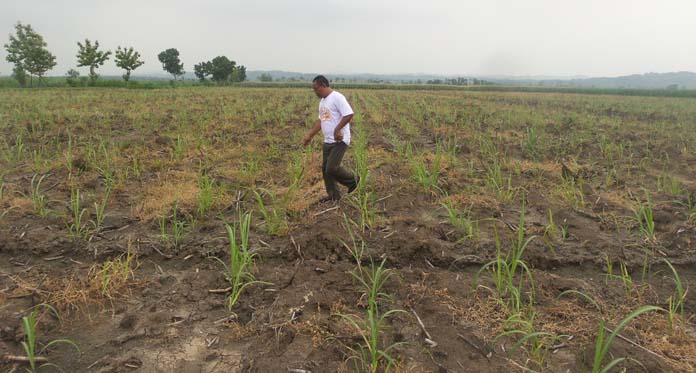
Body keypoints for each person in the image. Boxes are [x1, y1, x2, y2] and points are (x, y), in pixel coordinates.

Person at [302, 75, 359, 202]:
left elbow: (349, 114)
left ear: (323, 85)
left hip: (340, 140)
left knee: (332, 168)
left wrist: (337, 129)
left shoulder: (337, 97)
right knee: (326, 171)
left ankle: (353, 181)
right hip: (328, 141)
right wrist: (309, 135)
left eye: (316, 88)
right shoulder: (323, 102)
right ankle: (334, 197)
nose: (315, 91)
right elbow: (321, 120)